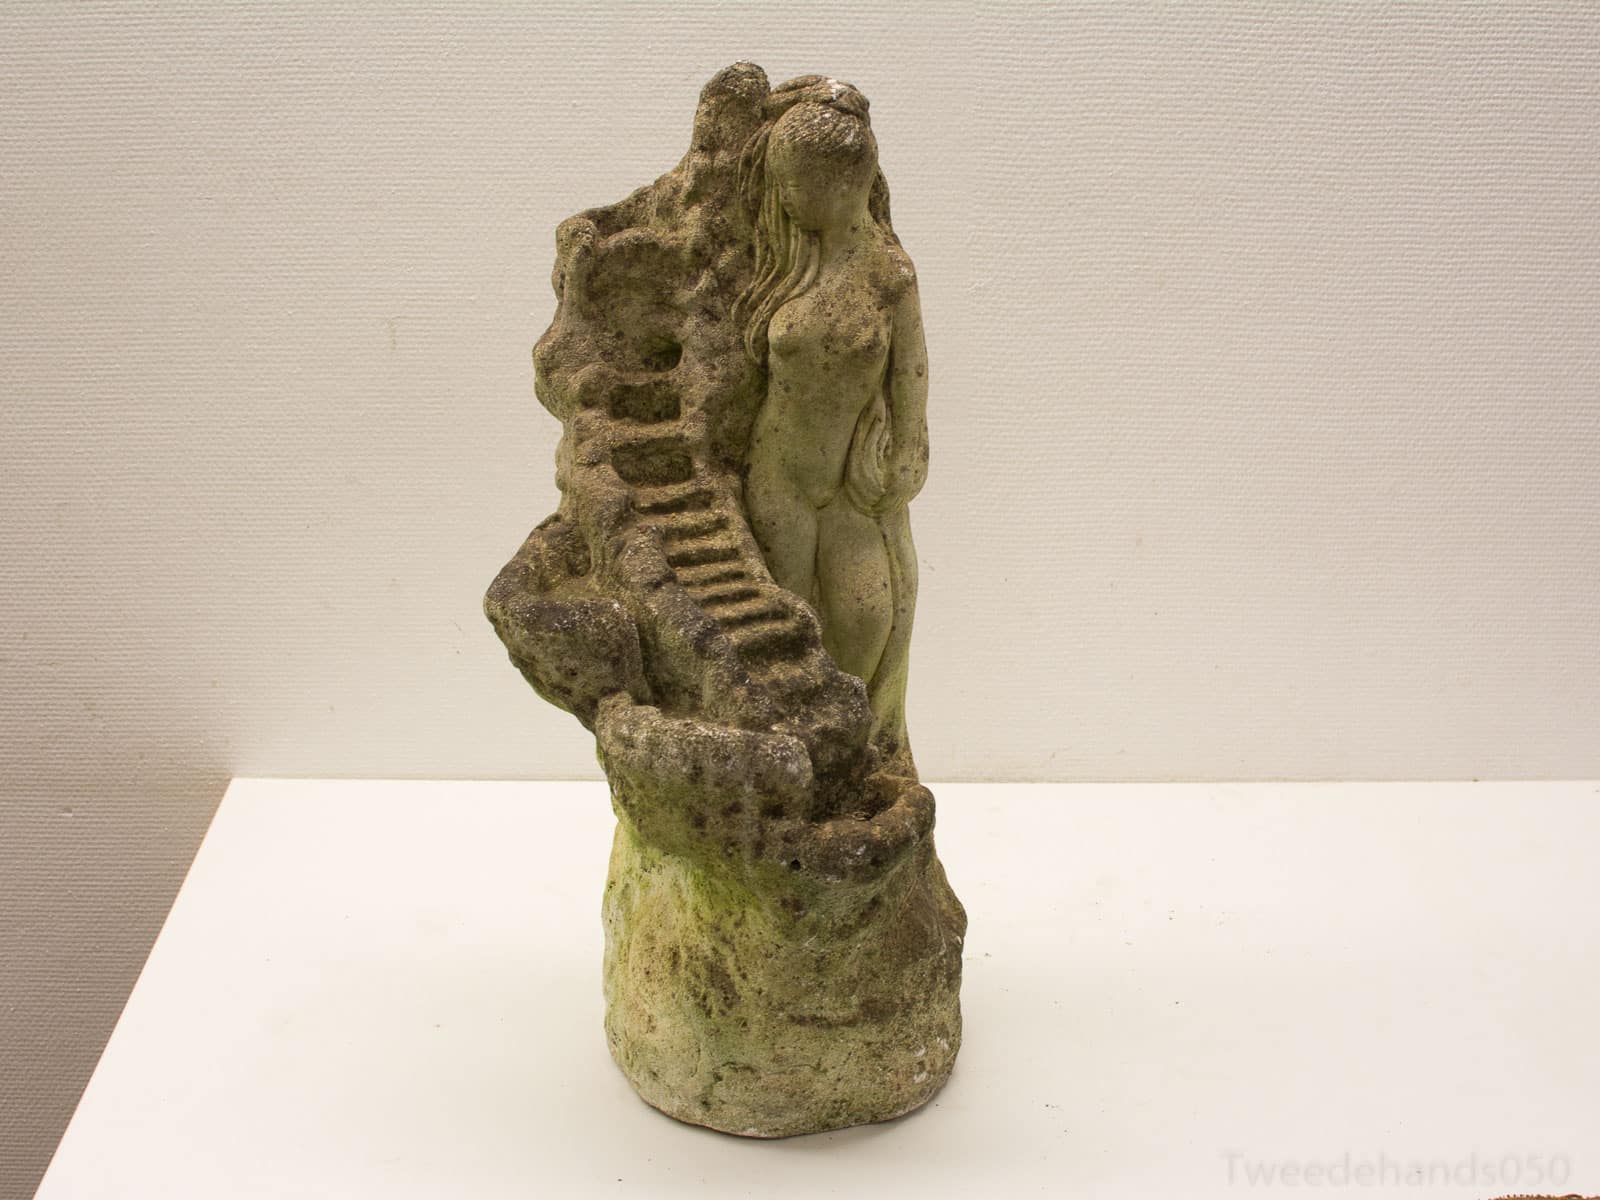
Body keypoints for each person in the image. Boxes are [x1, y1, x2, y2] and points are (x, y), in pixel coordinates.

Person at [733, 76, 929, 764]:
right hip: (779, 479)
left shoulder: (890, 274)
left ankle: (859, 751)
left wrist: (908, 445)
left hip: (851, 483)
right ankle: (795, 756)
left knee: (867, 617)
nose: (785, 198)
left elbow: (910, 370)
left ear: (844, 182)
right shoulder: (784, 260)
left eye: (795, 184)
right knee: (788, 628)